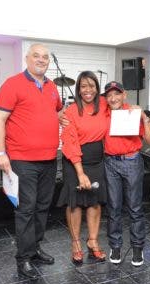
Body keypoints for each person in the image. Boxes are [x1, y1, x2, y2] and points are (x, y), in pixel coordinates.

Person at [0, 43, 62, 280]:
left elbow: (56, 112)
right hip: (22, 160)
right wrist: (0, 153)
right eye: (36, 56)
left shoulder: (53, 87)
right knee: (26, 209)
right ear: (27, 58)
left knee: (43, 207)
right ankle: (23, 257)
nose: (41, 60)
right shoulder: (13, 84)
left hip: (50, 159)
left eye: (45, 57)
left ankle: (35, 248)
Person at [57, 71, 108, 265]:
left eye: (91, 86)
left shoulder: (103, 105)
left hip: (97, 159)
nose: (88, 90)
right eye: (83, 86)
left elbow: (120, 106)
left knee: (95, 201)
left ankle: (93, 241)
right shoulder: (70, 111)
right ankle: (76, 243)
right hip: (74, 161)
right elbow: (69, 142)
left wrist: (134, 108)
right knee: (75, 203)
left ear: (97, 88)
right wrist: (80, 173)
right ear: (78, 89)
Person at [103, 81, 150, 266]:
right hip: (110, 163)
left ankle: (138, 248)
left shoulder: (133, 112)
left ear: (124, 94)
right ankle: (115, 246)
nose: (113, 98)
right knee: (114, 208)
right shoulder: (104, 113)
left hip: (132, 162)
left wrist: (144, 118)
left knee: (135, 208)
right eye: (109, 95)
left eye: (117, 94)